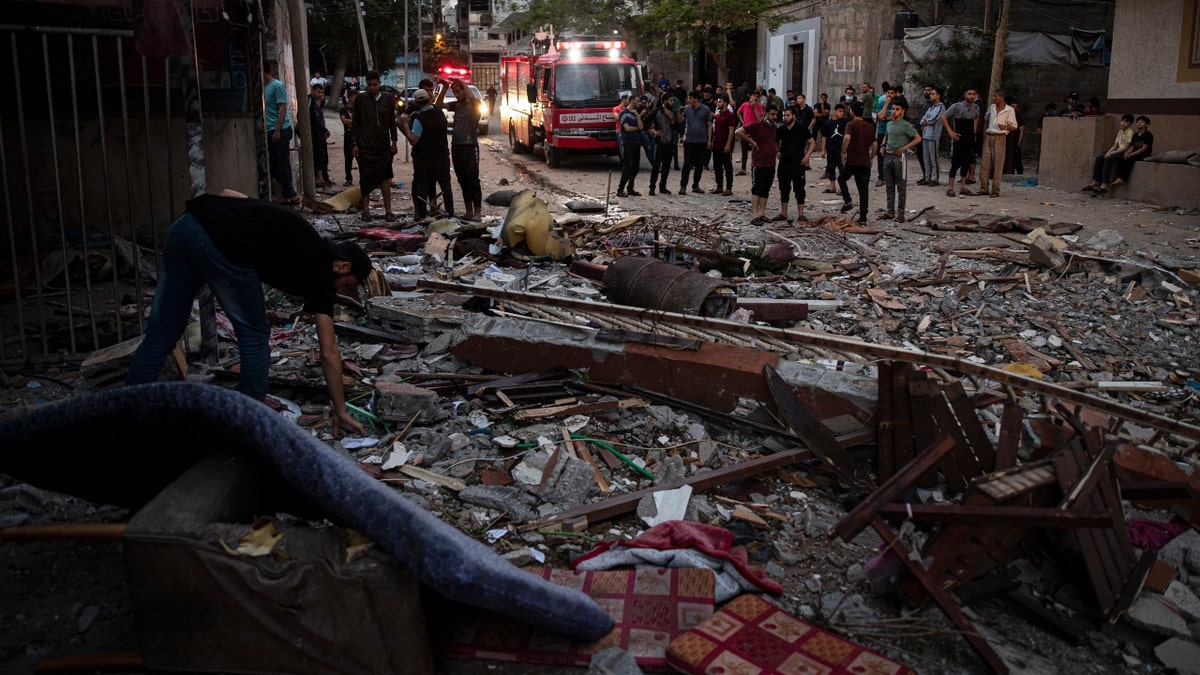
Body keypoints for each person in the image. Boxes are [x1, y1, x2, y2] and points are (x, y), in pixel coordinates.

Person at [125, 189, 371, 438]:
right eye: (349, 283)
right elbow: (329, 351)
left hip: (188, 225)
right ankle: (248, 428)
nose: (344, 289)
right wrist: (340, 409)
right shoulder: (321, 275)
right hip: (223, 248)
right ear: (342, 266)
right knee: (254, 337)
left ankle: (127, 416)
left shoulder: (304, 235)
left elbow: (230, 194)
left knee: (161, 334)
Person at [399, 87, 454, 220]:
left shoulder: (420, 119)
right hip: (442, 156)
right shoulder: (440, 113)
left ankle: (423, 215)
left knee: (422, 187)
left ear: (417, 103)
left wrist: (406, 125)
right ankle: (450, 214)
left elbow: (413, 140)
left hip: (425, 158)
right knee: (445, 186)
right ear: (429, 99)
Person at [351, 71, 398, 222]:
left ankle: (388, 211)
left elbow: (392, 122)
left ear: (379, 83)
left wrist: (394, 141)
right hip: (365, 145)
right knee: (365, 178)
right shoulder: (361, 99)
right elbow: (355, 123)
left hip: (383, 146)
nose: (372, 88)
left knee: (385, 178)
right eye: (369, 85)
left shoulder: (388, 99)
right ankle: (366, 211)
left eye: (375, 85)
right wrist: (355, 143)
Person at [734, 105, 779, 225]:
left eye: (776, 114)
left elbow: (774, 141)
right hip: (759, 163)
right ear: (766, 114)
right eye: (772, 114)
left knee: (766, 189)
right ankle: (754, 214)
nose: (774, 117)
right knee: (757, 189)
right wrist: (752, 142)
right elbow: (738, 131)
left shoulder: (774, 128)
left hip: (770, 163)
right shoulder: (757, 125)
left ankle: (761, 213)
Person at [878, 101, 921, 222]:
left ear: (902, 111)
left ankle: (901, 213)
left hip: (899, 157)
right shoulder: (889, 124)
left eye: (897, 109)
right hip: (888, 155)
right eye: (893, 109)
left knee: (901, 186)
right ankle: (890, 211)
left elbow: (918, 138)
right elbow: (887, 135)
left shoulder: (906, 125)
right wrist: (882, 145)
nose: (894, 111)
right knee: (889, 186)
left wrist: (904, 148)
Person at [263, 63, 298, 205]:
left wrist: (277, 130)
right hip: (271, 129)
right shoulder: (265, 88)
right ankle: (289, 191)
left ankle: (288, 193)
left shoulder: (276, 86)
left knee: (282, 162)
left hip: (280, 129)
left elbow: (282, 108)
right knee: (273, 163)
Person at [774, 106, 816, 223]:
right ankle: (784, 212)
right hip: (784, 163)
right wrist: (778, 151)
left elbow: (812, 143)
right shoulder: (781, 130)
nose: (785, 117)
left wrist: (806, 157)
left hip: (798, 163)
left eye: (787, 115)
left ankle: (801, 214)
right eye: (784, 115)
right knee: (784, 188)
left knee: (799, 189)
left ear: (794, 116)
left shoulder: (802, 128)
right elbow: (775, 141)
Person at [449, 78, 483, 220]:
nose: (456, 95)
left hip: (469, 146)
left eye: (458, 91)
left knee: (472, 178)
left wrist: (463, 83)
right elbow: (437, 105)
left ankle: (477, 213)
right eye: (454, 92)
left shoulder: (474, 106)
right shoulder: (457, 106)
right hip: (456, 146)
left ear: (464, 90)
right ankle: (468, 211)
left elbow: (472, 98)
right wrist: (444, 86)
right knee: (462, 179)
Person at [838, 102, 877, 225]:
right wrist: (871, 158)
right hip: (865, 163)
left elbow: (847, 138)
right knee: (863, 191)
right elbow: (875, 144)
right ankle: (863, 218)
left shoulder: (851, 124)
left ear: (852, 112)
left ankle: (848, 199)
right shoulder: (869, 126)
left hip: (853, 161)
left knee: (841, 178)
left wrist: (843, 152)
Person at [942, 88, 981, 197]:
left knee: (966, 163)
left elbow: (976, 119)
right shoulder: (957, 106)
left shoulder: (976, 107)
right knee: (955, 163)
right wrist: (950, 131)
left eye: (973, 94)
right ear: (965, 95)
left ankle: (963, 187)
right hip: (958, 138)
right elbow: (944, 116)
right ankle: (950, 188)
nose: (971, 96)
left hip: (969, 139)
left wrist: (974, 133)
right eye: (969, 94)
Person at [980, 89, 1018, 198]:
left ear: (1001, 97)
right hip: (990, 135)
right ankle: (984, 188)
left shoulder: (1009, 110)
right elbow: (986, 118)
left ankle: (995, 190)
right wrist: (985, 132)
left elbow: (1014, 126)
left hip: (1000, 137)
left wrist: (1005, 126)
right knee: (985, 164)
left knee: (998, 164)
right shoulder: (992, 107)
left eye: (995, 96)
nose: (994, 98)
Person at [1085, 113, 1135, 194]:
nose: (1122, 123)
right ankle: (1096, 180)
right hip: (1117, 150)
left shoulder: (1131, 132)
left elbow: (1125, 148)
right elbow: (1115, 145)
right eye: (1122, 121)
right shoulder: (1120, 131)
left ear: (1130, 124)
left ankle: (1105, 183)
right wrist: (1108, 152)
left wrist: (1111, 154)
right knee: (1100, 158)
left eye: (1126, 122)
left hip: (1123, 152)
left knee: (1109, 158)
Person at [678, 91, 714, 194]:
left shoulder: (705, 109)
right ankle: (683, 186)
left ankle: (695, 185)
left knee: (699, 164)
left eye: (690, 98)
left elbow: (709, 125)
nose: (689, 100)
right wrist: (679, 112)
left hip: (702, 141)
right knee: (687, 164)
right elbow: (680, 120)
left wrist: (709, 140)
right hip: (689, 140)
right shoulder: (687, 109)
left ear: (696, 99)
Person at [648, 92, 678, 196]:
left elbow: (675, 128)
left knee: (666, 166)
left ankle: (663, 187)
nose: (672, 102)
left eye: (672, 100)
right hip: (659, 143)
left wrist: (672, 119)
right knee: (656, 166)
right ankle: (652, 188)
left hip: (669, 144)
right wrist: (653, 132)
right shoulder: (656, 112)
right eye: (670, 100)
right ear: (665, 101)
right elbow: (645, 123)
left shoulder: (672, 112)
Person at [916, 85, 945, 186]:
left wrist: (925, 122)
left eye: (933, 94)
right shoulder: (931, 107)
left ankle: (935, 178)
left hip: (933, 135)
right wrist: (925, 122)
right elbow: (922, 120)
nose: (931, 95)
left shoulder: (941, 107)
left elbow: (933, 119)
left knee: (933, 158)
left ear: (938, 95)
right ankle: (927, 177)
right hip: (925, 135)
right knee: (926, 158)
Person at [615, 95, 644, 197]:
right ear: (632, 101)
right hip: (628, 143)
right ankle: (620, 189)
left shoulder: (636, 113)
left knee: (635, 167)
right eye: (637, 101)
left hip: (636, 142)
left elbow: (641, 127)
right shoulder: (623, 113)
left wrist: (637, 115)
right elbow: (627, 128)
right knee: (627, 167)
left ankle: (630, 188)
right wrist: (636, 128)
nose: (639, 103)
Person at [873, 82, 900, 187]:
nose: (890, 95)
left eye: (892, 93)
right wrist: (886, 104)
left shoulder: (898, 103)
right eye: (888, 93)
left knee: (893, 155)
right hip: (882, 131)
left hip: (893, 132)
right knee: (881, 154)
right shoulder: (882, 102)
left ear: (895, 94)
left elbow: (897, 117)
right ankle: (881, 177)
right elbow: (880, 117)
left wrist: (887, 118)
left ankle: (893, 177)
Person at [1113, 116, 1153, 186]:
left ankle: (1124, 178)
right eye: (1138, 122)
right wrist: (1127, 153)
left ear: (1146, 125)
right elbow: (1132, 147)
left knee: (1129, 159)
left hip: (1144, 154)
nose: (1139, 123)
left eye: (1142, 122)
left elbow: (1143, 149)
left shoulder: (1148, 135)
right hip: (1135, 153)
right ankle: (1119, 177)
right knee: (1121, 157)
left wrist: (1131, 155)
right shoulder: (1135, 135)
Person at [710, 94, 737, 196]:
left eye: (720, 102)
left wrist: (728, 144)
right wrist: (712, 141)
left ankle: (729, 188)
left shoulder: (730, 116)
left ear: (725, 103)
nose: (718, 103)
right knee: (717, 167)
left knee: (727, 167)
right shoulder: (718, 116)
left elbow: (731, 131)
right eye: (717, 102)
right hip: (716, 144)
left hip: (725, 145)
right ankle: (719, 186)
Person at [819, 103, 847, 194]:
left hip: (840, 150)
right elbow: (824, 137)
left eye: (843, 111)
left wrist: (845, 151)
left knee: (842, 169)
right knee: (831, 168)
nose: (841, 113)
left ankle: (843, 188)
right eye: (840, 111)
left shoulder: (845, 123)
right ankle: (832, 187)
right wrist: (823, 150)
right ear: (835, 111)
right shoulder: (828, 123)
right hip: (831, 149)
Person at [308, 84, 331, 187]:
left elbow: (320, 117)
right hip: (313, 133)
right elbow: (311, 118)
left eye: (322, 92)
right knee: (317, 155)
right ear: (312, 90)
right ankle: (318, 178)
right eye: (318, 92)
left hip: (320, 133)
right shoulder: (309, 101)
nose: (320, 94)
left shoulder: (320, 102)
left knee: (323, 156)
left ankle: (324, 178)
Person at [736, 91, 764, 175]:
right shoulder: (745, 105)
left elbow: (759, 118)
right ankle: (743, 168)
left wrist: (755, 107)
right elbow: (738, 112)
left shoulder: (759, 106)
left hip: (755, 131)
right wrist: (742, 120)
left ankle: (754, 167)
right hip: (745, 130)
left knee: (755, 151)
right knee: (744, 151)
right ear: (751, 96)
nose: (755, 98)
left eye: (757, 97)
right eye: (754, 95)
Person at [1003, 95, 1026, 175]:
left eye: (1016, 107)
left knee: (1017, 159)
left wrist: (1018, 144)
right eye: (1013, 106)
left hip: (1015, 141)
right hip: (1008, 140)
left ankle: (1020, 174)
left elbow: (1022, 131)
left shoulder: (1020, 119)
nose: (1015, 108)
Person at [339, 87, 357, 186]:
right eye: (355, 97)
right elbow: (345, 121)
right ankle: (348, 178)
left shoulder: (358, 109)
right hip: (348, 135)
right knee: (348, 158)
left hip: (358, 135)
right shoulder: (344, 109)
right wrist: (355, 122)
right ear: (350, 97)